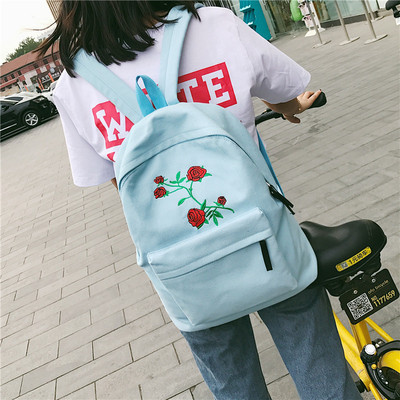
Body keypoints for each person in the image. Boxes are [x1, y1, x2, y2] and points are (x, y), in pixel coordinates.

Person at [36, 2, 362, 399]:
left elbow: (121, 184)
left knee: (234, 385)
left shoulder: (72, 83)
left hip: (183, 271)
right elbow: (284, 92)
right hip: (266, 241)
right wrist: (290, 107)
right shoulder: (215, 25)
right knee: (319, 369)